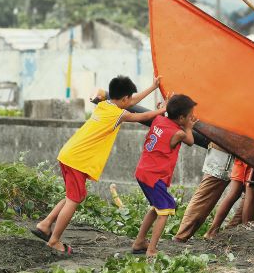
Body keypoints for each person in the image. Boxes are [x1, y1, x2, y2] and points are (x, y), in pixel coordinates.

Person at [31, 76, 165, 255]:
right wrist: (163, 110)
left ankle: (45, 225)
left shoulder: (104, 105)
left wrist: (153, 87)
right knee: (74, 200)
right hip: (77, 160)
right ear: (124, 99)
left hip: (69, 154)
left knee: (72, 196)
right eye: (128, 98)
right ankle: (54, 240)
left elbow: (132, 101)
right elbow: (142, 116)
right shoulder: (120, 114)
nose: (130, 101)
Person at [132, 94, 197, 257]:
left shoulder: (158, 120)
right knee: (166, 209)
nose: (192, 118)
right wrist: (189, 127)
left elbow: (163, 114)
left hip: (143, 171)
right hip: (154, 176)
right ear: (182, 118)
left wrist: (164, 105)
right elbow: (190, 141)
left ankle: (140, 242)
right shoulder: (179, 133)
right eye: (190, 116)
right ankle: (152, 250)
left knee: (157, 207)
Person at [172, 146, 233, 243]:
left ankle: (232, 228)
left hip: (225, 151)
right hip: (224, 153)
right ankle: (181, 235)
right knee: (207, 193)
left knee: (209, 193)